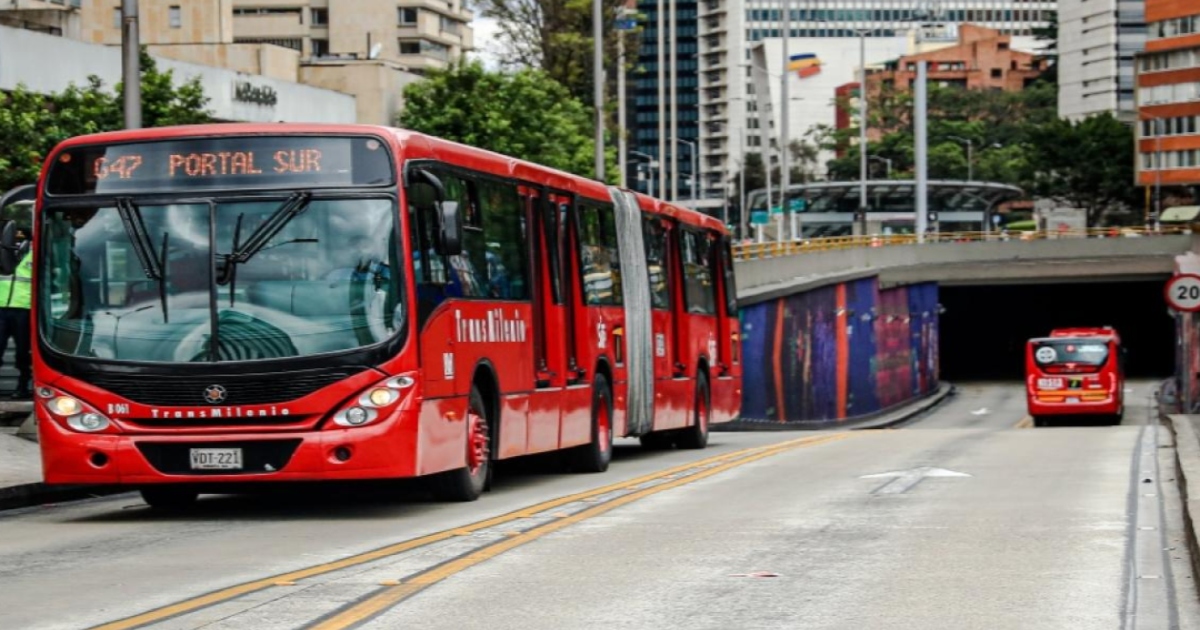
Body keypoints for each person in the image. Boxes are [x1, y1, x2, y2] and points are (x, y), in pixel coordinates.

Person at [0, 231, 33, 399]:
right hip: (1, 309)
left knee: (23, 352)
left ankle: (23, 386)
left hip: (24, 309)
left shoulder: (36, 252)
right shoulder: (2, 252)